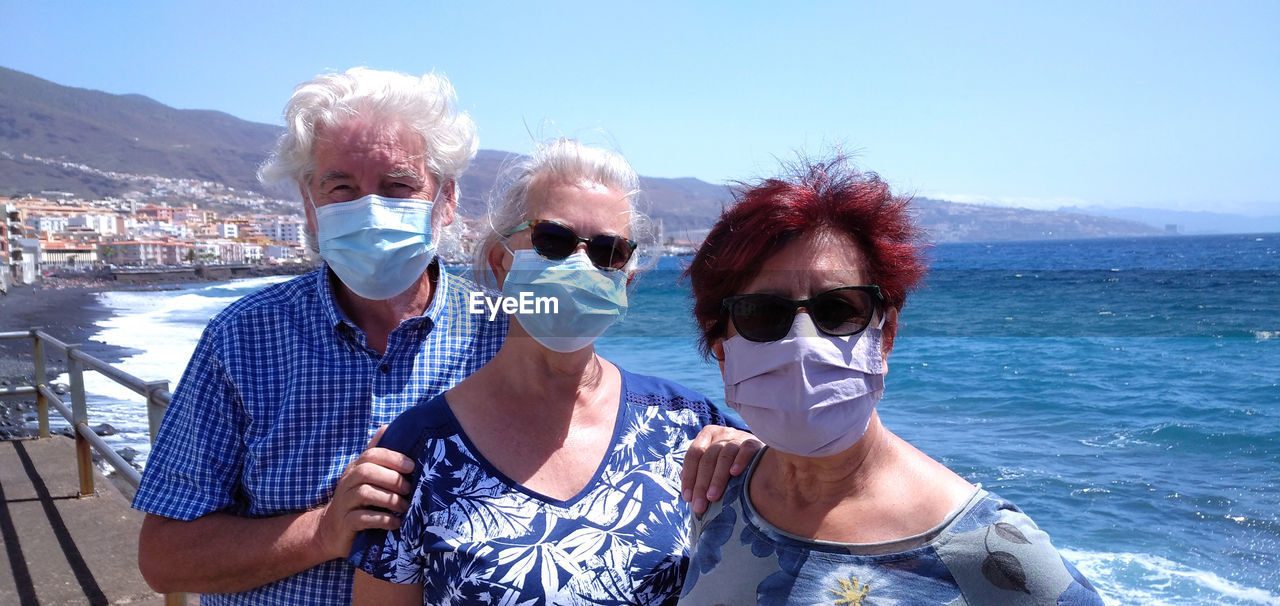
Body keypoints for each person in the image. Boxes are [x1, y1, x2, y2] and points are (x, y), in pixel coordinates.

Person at [131, 67, 508, 604]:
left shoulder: (502, 334)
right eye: (342, 188)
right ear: (309, 204)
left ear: (446, 200)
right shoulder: (241, 340)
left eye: (398, 185)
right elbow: (165, 559)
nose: (370, 209)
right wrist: (325, 531)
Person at [348, 139, 760, 604]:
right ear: (500, 264)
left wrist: (755, 452)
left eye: (608, 251)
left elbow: (796, 514)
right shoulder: (418, 452)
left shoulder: (690, 427)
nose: (581, 265)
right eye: (554, 241)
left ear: (625, 276)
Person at [678, 158, 1105, 604]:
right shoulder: (718, 495)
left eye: (839, 309)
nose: (804, 342)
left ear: (885, 337)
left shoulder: (992, 553)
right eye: (762, 313)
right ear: (723, 351)